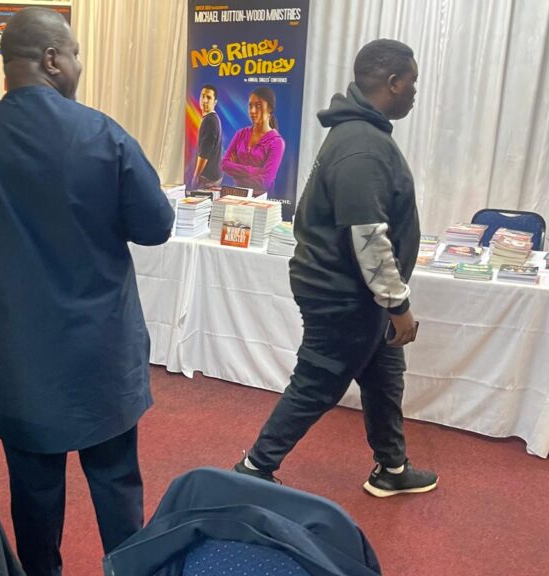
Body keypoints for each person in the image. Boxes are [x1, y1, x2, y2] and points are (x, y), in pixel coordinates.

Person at [0, 8, 174, 576]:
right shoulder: (103, 133)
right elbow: (156, 227)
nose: (79, 64)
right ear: (52, 58)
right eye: (76, 53)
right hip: (101, 351)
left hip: (20, 356)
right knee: (116, 484)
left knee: (34, 494)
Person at [234, 39, 438, 498]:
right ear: (393, 82)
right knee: (318, 382)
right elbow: (367, 238)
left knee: (384, 377)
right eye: (412, 83)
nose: (414, 92)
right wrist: (398, 305)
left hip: (357, 293)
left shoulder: (358, 134)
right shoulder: (362, 145)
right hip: (343, 295)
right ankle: (253, 468)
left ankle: (392, 466)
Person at [221, 86, 285, 196]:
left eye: (258, 105)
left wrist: (236, 172)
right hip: (237, 197)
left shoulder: (276, 142)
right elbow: (224, 164)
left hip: (261, 201)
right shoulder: (241, 134)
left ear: (270, 109)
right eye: (250, 106)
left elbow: (264, 183)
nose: (252, 111)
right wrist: (257, 171)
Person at [191, 84, 223, 188]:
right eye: (202, 96)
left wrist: (195, 177)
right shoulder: (213, 118)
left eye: (209, 97)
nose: (204, 100)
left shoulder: (209, 121)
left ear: (215, 102)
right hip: (214, 177)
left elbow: (204, 153)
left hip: (207, 179)